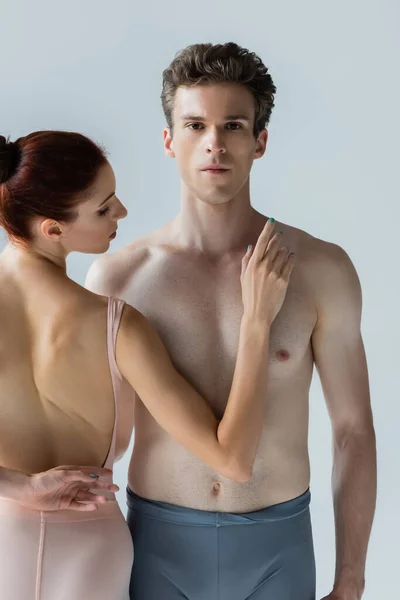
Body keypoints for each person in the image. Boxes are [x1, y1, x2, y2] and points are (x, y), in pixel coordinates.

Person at [86, 42, 377, 600]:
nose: (214, 143)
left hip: (279, 549)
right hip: (158, 548)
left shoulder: (321, 269)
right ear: (169, 141)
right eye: (195, 125)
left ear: (259, 141)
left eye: (234, 125)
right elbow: (97, 440)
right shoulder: (118, 279)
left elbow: (353, 431)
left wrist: (352, 579)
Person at [0, 130, 294, 600]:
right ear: (51, 229)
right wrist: (256, 322)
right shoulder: (117, 326)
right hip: (90, 550)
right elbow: (234, 461)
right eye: (103, 208)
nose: (121, 213)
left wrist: (21, 486)